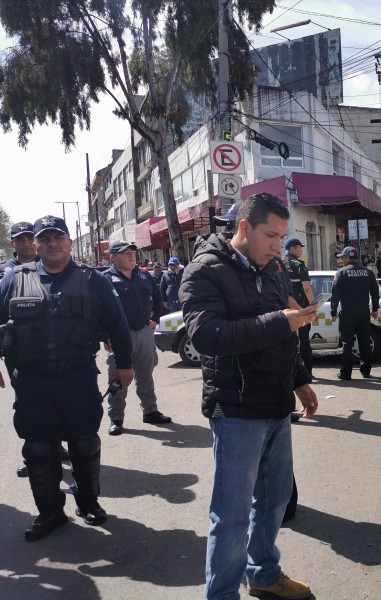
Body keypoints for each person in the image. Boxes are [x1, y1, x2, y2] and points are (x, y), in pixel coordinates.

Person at [180, 192, 318, 600]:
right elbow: (207, 335)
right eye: (271, 236)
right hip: (237, 409)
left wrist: (299, 380)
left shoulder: (273, 267)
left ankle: (263, 573)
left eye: (282, 237)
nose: (279, 246)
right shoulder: (204, 270)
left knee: (275, 500)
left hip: (277, 404)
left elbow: (284, 335)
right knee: (232, 514)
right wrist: (280, 321)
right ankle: (222, 594)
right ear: (244, 228)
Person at [0, 215, 134, 540]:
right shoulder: (13, 280)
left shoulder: (93, 280)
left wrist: (125, 364)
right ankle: (50, 514)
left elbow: (117, 323)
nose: (52, 243)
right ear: (35, 244)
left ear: (70, 242)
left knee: (84, 444)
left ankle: (88, 503)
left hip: (78, 378)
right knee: (38, 449)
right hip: (31, 382)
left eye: (58, 237)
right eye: (44, 238)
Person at [2, 221, 69, 478]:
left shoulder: (52, 268)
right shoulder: (7, 274)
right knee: (28, 407)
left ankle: (56, 444)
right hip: (19, 353)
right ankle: (33, 455)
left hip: (53, 351)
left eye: (31, 238)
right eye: (21, 239)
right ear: (13, 243)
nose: (27, 243)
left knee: (59, 401)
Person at [104, 241, 171, 436]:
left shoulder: (144, 276)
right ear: (113, 257)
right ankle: (116, 418)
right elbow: (98, 310)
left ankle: (150, 411)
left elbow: (158, 299)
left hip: (144, 332)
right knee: (118, 378)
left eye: (132, 252)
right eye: (124, 253)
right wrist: (105, 336)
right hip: (119, 336)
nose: (131, 255)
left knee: (146, 375)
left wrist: (154, 319)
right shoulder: (105, 279)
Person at [330, 246, 380, 380]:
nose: (341, 260)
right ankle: (366, 371)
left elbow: (335, 295)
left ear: (347, 258)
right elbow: (375, 293)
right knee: (364, 342)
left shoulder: (341, 273)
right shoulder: (368, 272)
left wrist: (333, 312)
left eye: (342, 258)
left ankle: (346, 373)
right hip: (364, 312)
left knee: (347, 343)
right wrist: (375, 309)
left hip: (348, 313)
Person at [282, 238, 315, 376]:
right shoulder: (299, 265)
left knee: (286, 341)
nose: (301, 250)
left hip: (283, 309)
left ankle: (289, 371)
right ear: (291, 249)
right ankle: (306, 371)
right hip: (300, 309)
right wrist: (313, 306)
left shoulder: (279, 263)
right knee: (304, 341)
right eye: (299, 248)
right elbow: (307, 289)